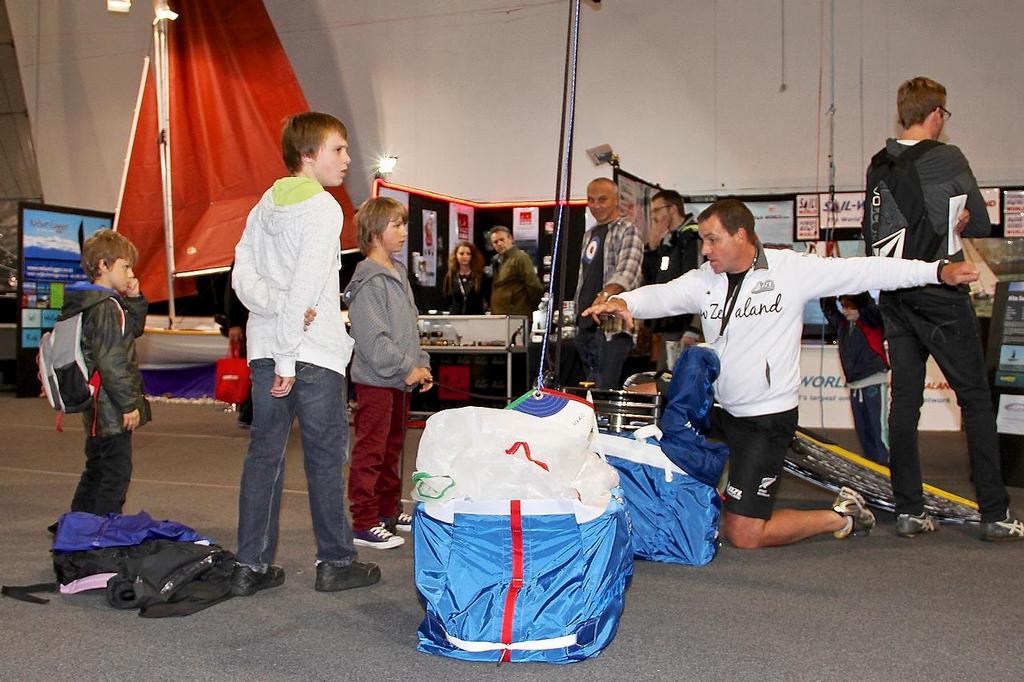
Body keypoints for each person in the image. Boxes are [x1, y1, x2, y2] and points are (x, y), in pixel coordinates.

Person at [583, 198, 979, 549]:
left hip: (765, 419)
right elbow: (663, 295)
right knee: (651, 395)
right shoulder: (706, 279)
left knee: (745, 535)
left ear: (741, 235)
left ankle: (843, 515)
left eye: (712, 239)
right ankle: (715, 491)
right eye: (703, 240)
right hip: (720, 408)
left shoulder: (791, 270)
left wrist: (936, 271)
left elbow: (868, 271)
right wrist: (624, 300)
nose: (705, 249)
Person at [864, 76, 1022, 541]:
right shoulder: (945, 158)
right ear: (936, 113)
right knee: (974, 399)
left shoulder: (878, 164)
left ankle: (910, 509)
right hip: (941, 292)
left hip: (895, 294)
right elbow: (983, 219)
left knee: (904, 405)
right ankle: (995, 514)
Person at [231, 111, 380, 596]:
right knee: (323, 459)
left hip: (265, 349)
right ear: (308, 155)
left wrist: (275, 326)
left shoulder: (262, 207)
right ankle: (335, 562)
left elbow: (241, 279)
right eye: (338, 149)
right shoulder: (322, 209)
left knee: (263, 459)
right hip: (308, 357)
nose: (347, 158)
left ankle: (249, 567)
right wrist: (289, 359)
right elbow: (306, 290)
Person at [344, 197, 434, 549]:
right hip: (377, 382)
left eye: (403, 224)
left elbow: (410, 329)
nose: (402, 231)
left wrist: (420, 364)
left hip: (398, 381)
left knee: (392, 449)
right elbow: (372, 338)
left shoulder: (398, 273)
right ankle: (364, 521)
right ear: (374, 232)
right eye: (395, 225)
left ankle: (387, 511)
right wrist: (404, 367)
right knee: (371, 451)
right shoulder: (369, 279)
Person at [62, 229, 149, 517]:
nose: (130, 274)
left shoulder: (93, 302)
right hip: (111, 406)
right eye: (125, 266)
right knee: (115, 473)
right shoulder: (105, 307)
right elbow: (112, 360)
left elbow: (130, 331)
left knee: (97, 466)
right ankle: (103, 532)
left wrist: (135, 299)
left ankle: (78, 524)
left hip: (98, 404)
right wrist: (129, 404)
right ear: (102, 265)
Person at [573, 177, 644, 389]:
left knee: (606, 389)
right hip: (586, 324)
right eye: (591, 200)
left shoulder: (627, 229)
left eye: (602, 199)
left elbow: (628, 272)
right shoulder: (589, 234)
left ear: (615, 200)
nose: (596, 205)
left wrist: (605, 296)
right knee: (590, 390)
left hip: (613, 325)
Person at [820, 293, 890, 464]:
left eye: (850, 307)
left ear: (859, 307)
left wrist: (854, 284)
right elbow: (827, 307)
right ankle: (871, 466)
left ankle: (885, 468)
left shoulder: (871, 322)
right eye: (843, 306)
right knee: (863, 430)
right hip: (855, 385)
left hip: (873, 381)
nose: (845, 311)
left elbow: (868, 303)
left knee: (877, 429)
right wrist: (831, 286)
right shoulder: (843, 325)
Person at [643, 189, 702, 371]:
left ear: (672, 209)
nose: (654, 217)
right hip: (668, 325)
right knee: (665, 377)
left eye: (657, 211)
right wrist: (652, 248)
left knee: (682, 381)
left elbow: (698, 284)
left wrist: (694, 328)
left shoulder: (693, 237)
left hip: (686, 326)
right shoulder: (669, 241)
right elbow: (654, 280)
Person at [489, 225, 543, 316]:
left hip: (516, 314)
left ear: (510, 239)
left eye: (502, 239)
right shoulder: (497, 261)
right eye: (495, 242)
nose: (499, 243)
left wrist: (527, 307)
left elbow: (534, 286)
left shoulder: (520, 258)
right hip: (500, 314)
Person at [442, 240, 491, 314]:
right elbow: (447, 298)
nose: (465, 256)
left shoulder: (480, 276)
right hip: (456, 317)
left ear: (472, 256)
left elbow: (487, 296)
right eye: (461, 254)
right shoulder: (451, 276)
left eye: (468, 254)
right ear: (456, 255)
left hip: (476, 317)